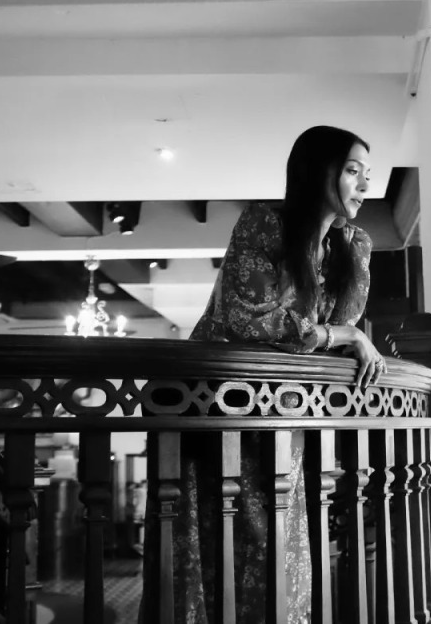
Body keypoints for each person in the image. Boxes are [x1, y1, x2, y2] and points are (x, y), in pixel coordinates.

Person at [166, 125, 387, 624]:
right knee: (217, 543)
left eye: (367, 174)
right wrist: (342, 335)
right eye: (352, 171)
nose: (364, 185)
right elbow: (248, 317)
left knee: (282, 549)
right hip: (219, 403)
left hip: (285, 408)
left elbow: (342, 326)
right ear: (319, 171)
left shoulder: (352, 245)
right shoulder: (263, 224)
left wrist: (343, 332)